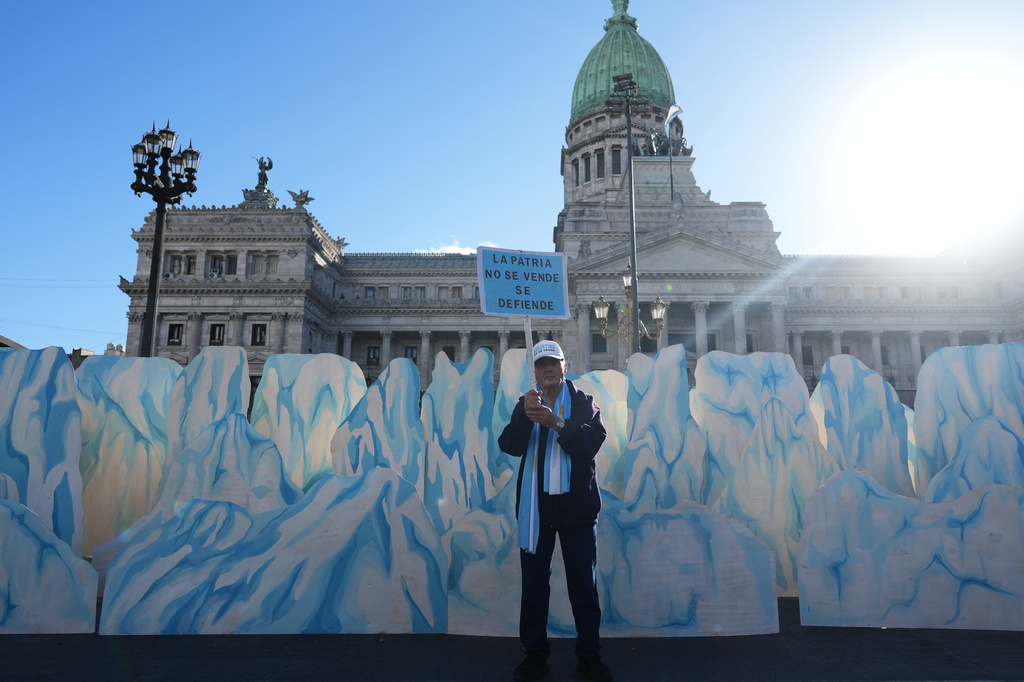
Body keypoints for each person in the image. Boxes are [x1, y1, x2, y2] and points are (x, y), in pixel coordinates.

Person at [498, 340, 611, 682]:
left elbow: (592, 441)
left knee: (584, 588)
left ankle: (589, 657)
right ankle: (534, 655)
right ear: (534, 372)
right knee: (533, 589)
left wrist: (556, 423)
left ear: (565, 366)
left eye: (553, 363)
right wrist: (522, 415)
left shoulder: (582, 402)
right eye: (541, 365)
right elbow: (509, 446)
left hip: (577, 511)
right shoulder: (527, 404)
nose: (547, 369)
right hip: (537, 511)